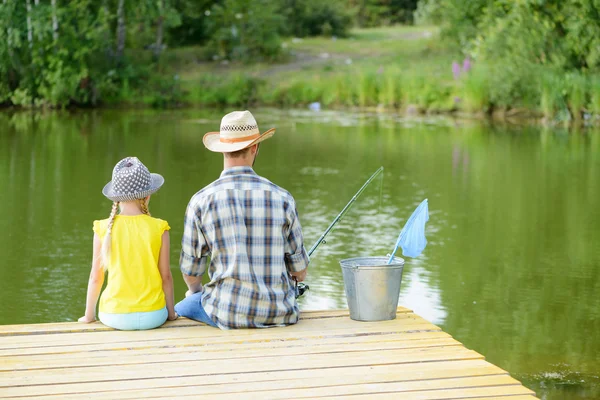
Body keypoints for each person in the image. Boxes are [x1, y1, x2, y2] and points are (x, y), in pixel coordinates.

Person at [175, 110, 309, 329]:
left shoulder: (201, 201)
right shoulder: (282, 198)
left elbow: (191, 273)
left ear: (222, 150)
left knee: (182, 306)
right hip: (279, 313)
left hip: (224, 313)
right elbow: (299, 272)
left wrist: (195, 291)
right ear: (255, 148)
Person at [79, 157, 177, 330]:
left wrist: (89, 316)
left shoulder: (103, 228)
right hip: (153, 315)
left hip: (114, 315)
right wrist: (170, 314)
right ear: (147, 196)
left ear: (115, 199)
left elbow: (96, 277)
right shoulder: (160, 227)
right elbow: (166, 277)